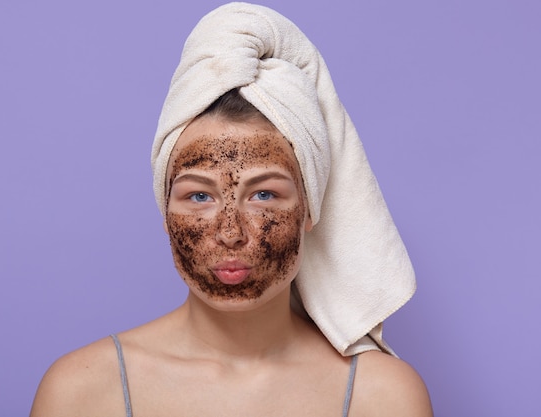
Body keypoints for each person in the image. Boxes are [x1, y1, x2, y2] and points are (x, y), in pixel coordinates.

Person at [30, 3, 433, 416]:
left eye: (264, 195)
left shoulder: (383, 395)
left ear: (311, 208)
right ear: (165, 212)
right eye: (199, 196)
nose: (230, 232)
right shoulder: (82, 391)